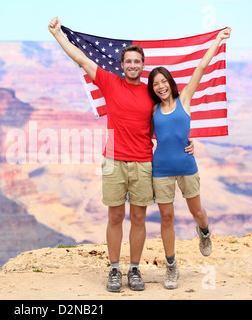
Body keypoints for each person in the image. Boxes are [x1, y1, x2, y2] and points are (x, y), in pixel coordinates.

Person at [48, 17, 194, 293]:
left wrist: (188, 142)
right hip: (113, 160)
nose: (133, 66)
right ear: (122, 64)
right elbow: (80, 57)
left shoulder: (151, 93)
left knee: (138, 218)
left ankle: (135, 270)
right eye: (128, 61)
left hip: (142, 162)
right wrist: (58, 35)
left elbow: (171, 119)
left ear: (142, 65)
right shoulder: (108, 81)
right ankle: (114, 270)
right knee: (115, 217)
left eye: (137, 62)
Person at [147, 27, 232, 290]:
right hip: (160, 169)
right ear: (153, 89)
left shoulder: (185, 99)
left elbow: (201, 68)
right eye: (155, 84)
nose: (160, 86)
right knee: (167, 219)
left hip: (186, 166)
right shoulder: (152, 110)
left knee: (196, 211)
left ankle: (204, 231)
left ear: (170, 83)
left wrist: (218, 40)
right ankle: (171, 267)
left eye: (163, 81)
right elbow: (146, 135)